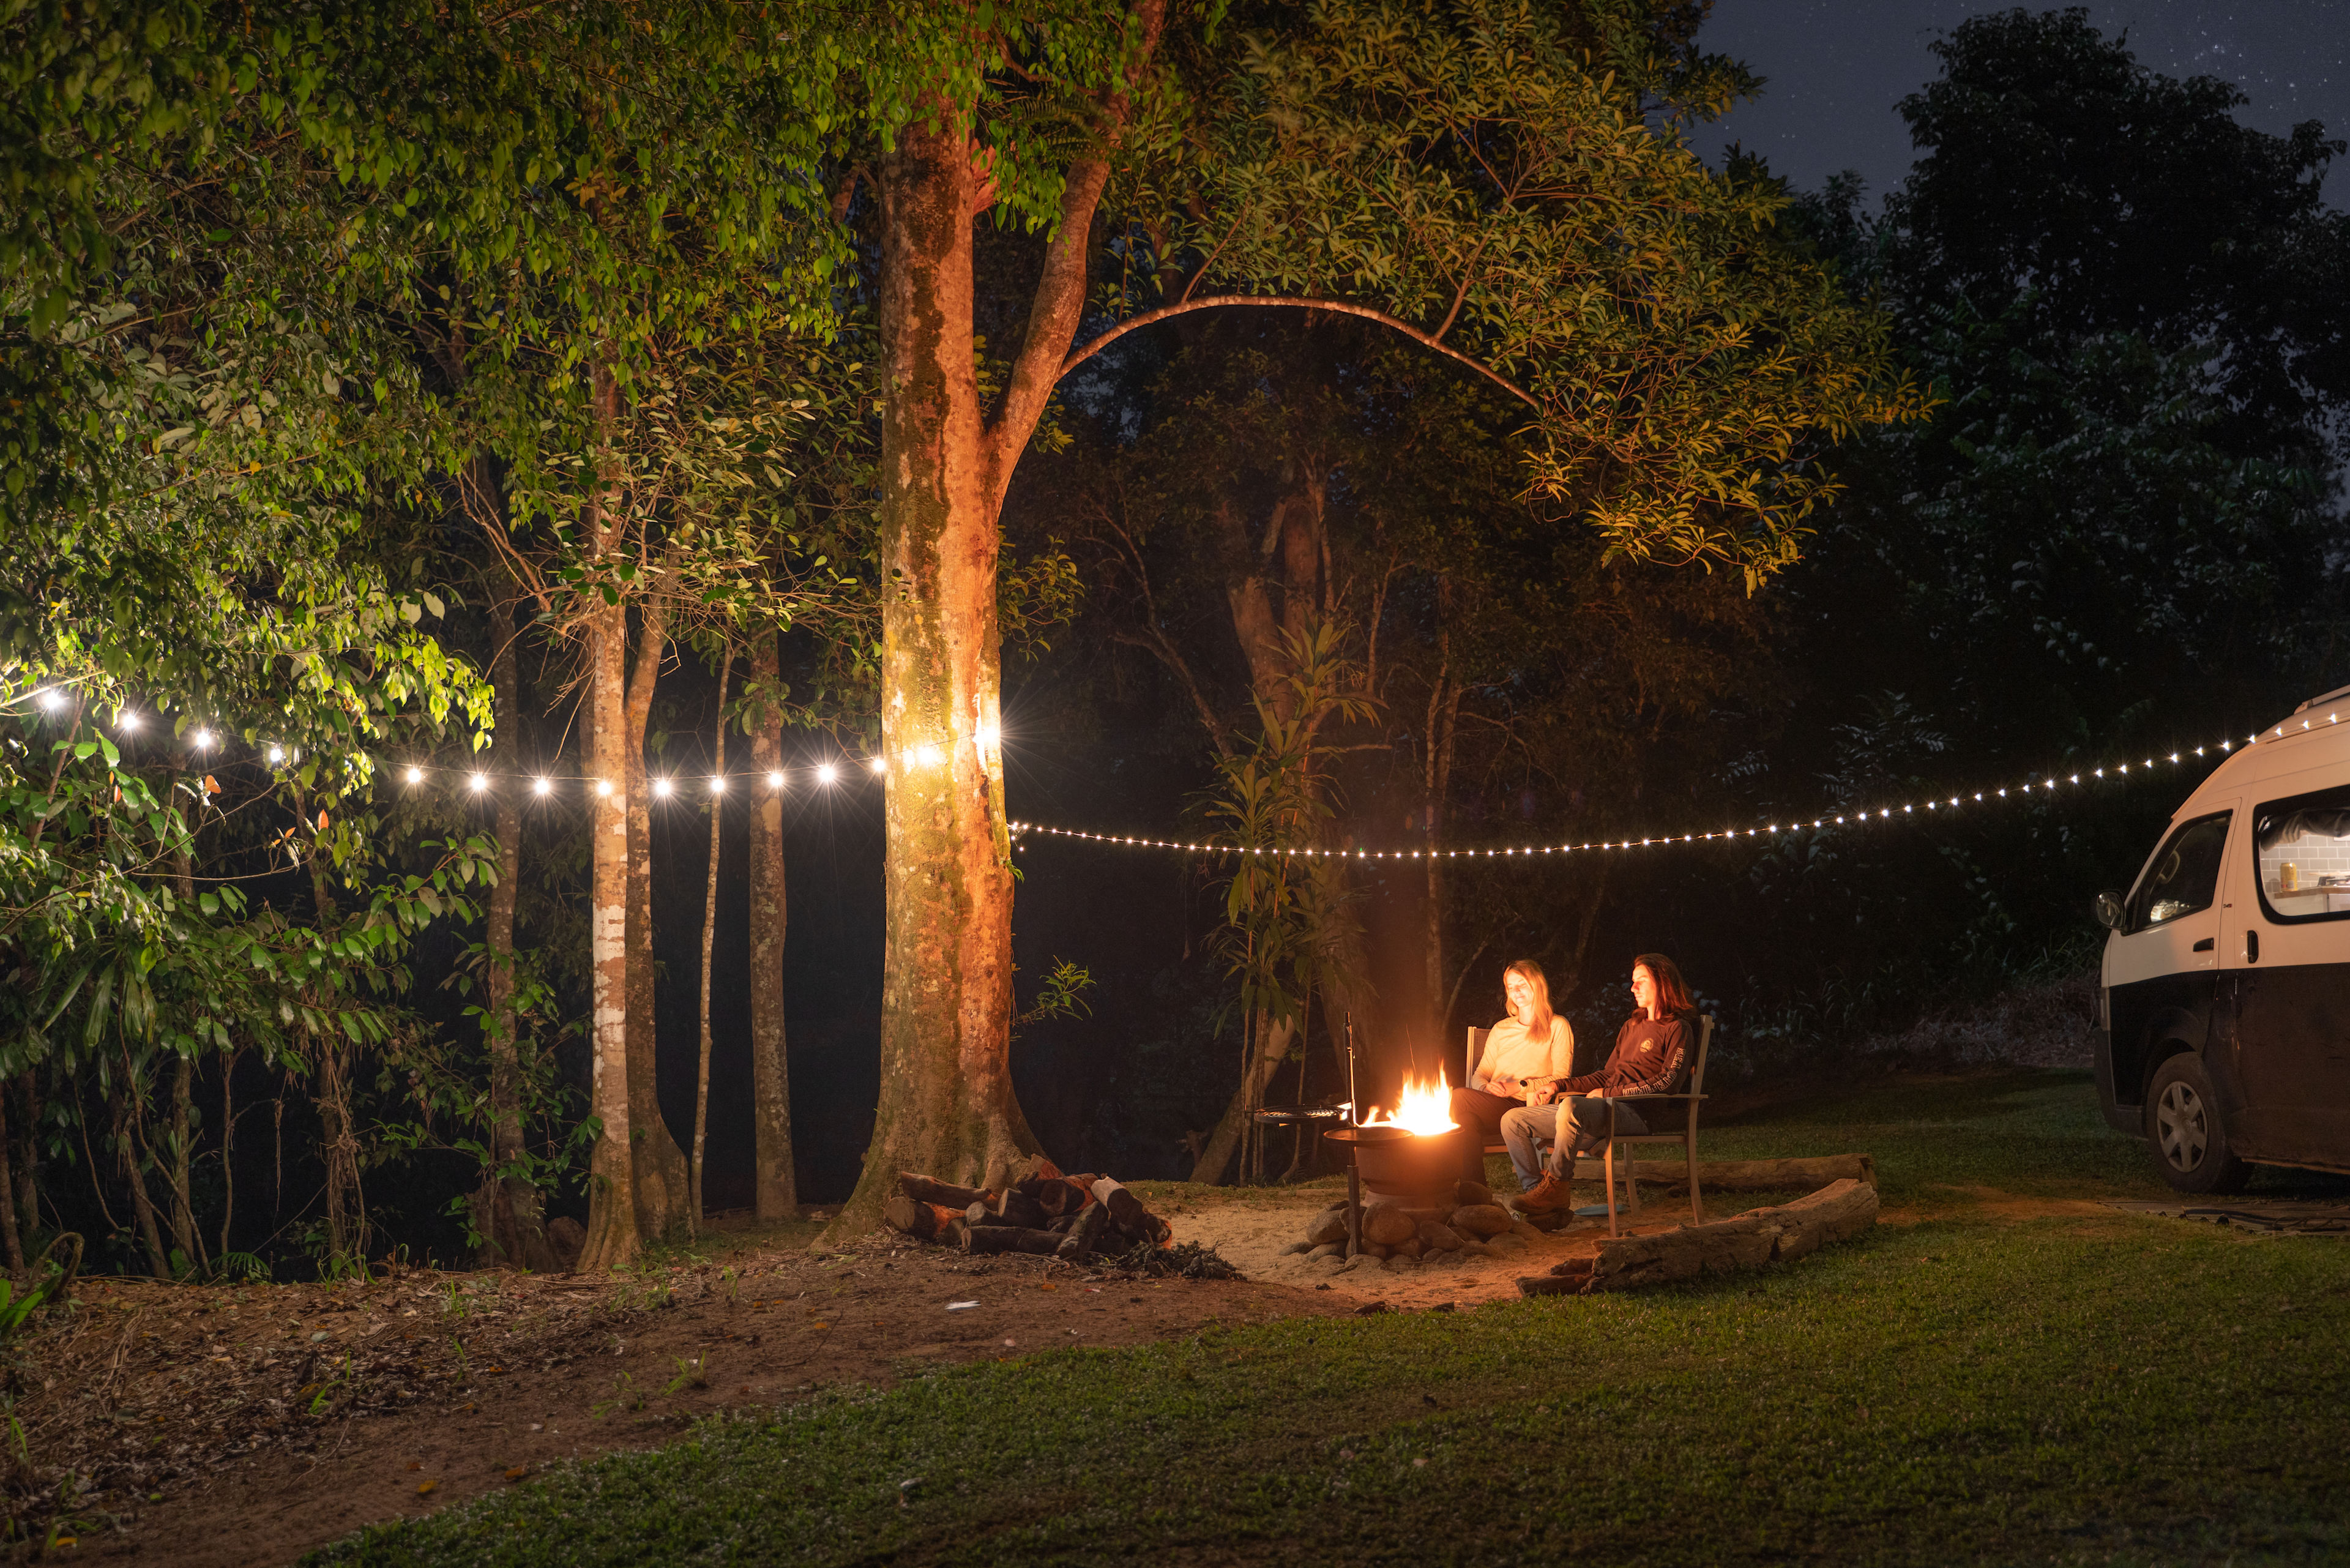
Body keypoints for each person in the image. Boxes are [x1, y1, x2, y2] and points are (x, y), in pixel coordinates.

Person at [1504, 953, 1694, 1213]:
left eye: (1641, 980)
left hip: (1638, 1113)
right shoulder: (1631, 1026)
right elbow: (1607, 1074)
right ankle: (1539, 1196)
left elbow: (1668, 1082)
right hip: (1604, 1109)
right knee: (1513, 1120)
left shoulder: (1677, 1028)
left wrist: (1608, 1093)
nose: (1633, 988)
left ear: (1662, 982)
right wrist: (1559, 1085)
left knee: (1573, 1106)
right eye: (1633, 981)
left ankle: (1556, 1185)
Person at [1449, 960, 1574, 1184]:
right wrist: (1486, 1087)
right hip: (1494, 1103)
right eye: (1510, 987)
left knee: (1458, 1098)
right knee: (1466, 1120)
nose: (1516, 991)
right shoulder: (1501, 1029)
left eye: (1522, 984)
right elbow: (1481, 1073)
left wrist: (1519, 1086)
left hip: (1529, 1105)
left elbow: (1562, 1077)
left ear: (1537, 985)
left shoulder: (1557, 1026)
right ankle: (1475, 1190)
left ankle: (1445, 1178)